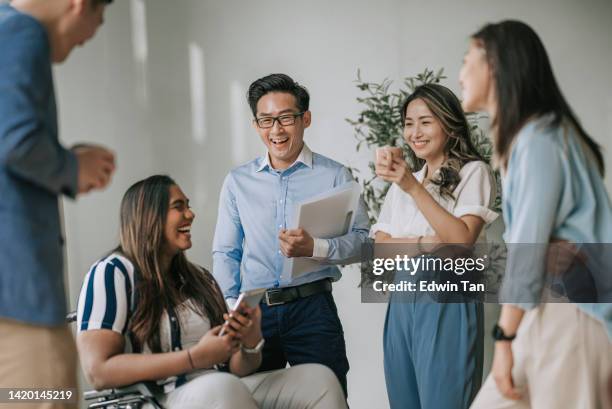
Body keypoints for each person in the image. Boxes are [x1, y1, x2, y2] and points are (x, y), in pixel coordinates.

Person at [76, 175, 347, 409]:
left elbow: (237, 368)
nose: (190, 214)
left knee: (317, 379)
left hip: (221, 388)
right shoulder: (113, 272)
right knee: (223, 388)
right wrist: (194, 358)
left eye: (188, 206)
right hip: (156, 397)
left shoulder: (199, 278)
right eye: (178, 207)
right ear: (149, 217)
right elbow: (98, 371)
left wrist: (250, 343)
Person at [459, 20, 612, 409]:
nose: (461, 73)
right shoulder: (534, 138)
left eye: (467, 61)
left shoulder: (538, 140)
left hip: (569, 312)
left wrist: (505, 338)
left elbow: (529, 249)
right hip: (547, 308)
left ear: (493, 66)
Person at [212, 73, 370, 396]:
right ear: (256, 125)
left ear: (305, 119)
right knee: (248, 401)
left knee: (329, 398)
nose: (276, 130)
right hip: (255, 314)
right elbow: (226, 252)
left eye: (285, 118)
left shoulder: (335, 175)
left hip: (313, 309)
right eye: (266, 120)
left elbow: (365, 243)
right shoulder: (237, 181)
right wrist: (233, 309)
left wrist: (316, 246)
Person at [0, 0, 115, 406]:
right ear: (79, 4)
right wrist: (71, 167)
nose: (91, 35)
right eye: (99, 18)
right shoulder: (21, 31)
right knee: (51, 396)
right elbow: (15, 142)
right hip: (21, 306)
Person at [372, 83, 498, 409]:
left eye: (425, 121)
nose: (415, 132)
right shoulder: (402, 183)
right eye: (409, 123)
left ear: (449, 124)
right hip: (401, 301)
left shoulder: (474, 172)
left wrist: (414, 188)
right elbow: (378, 251)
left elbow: (459, 241)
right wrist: (425, 242)